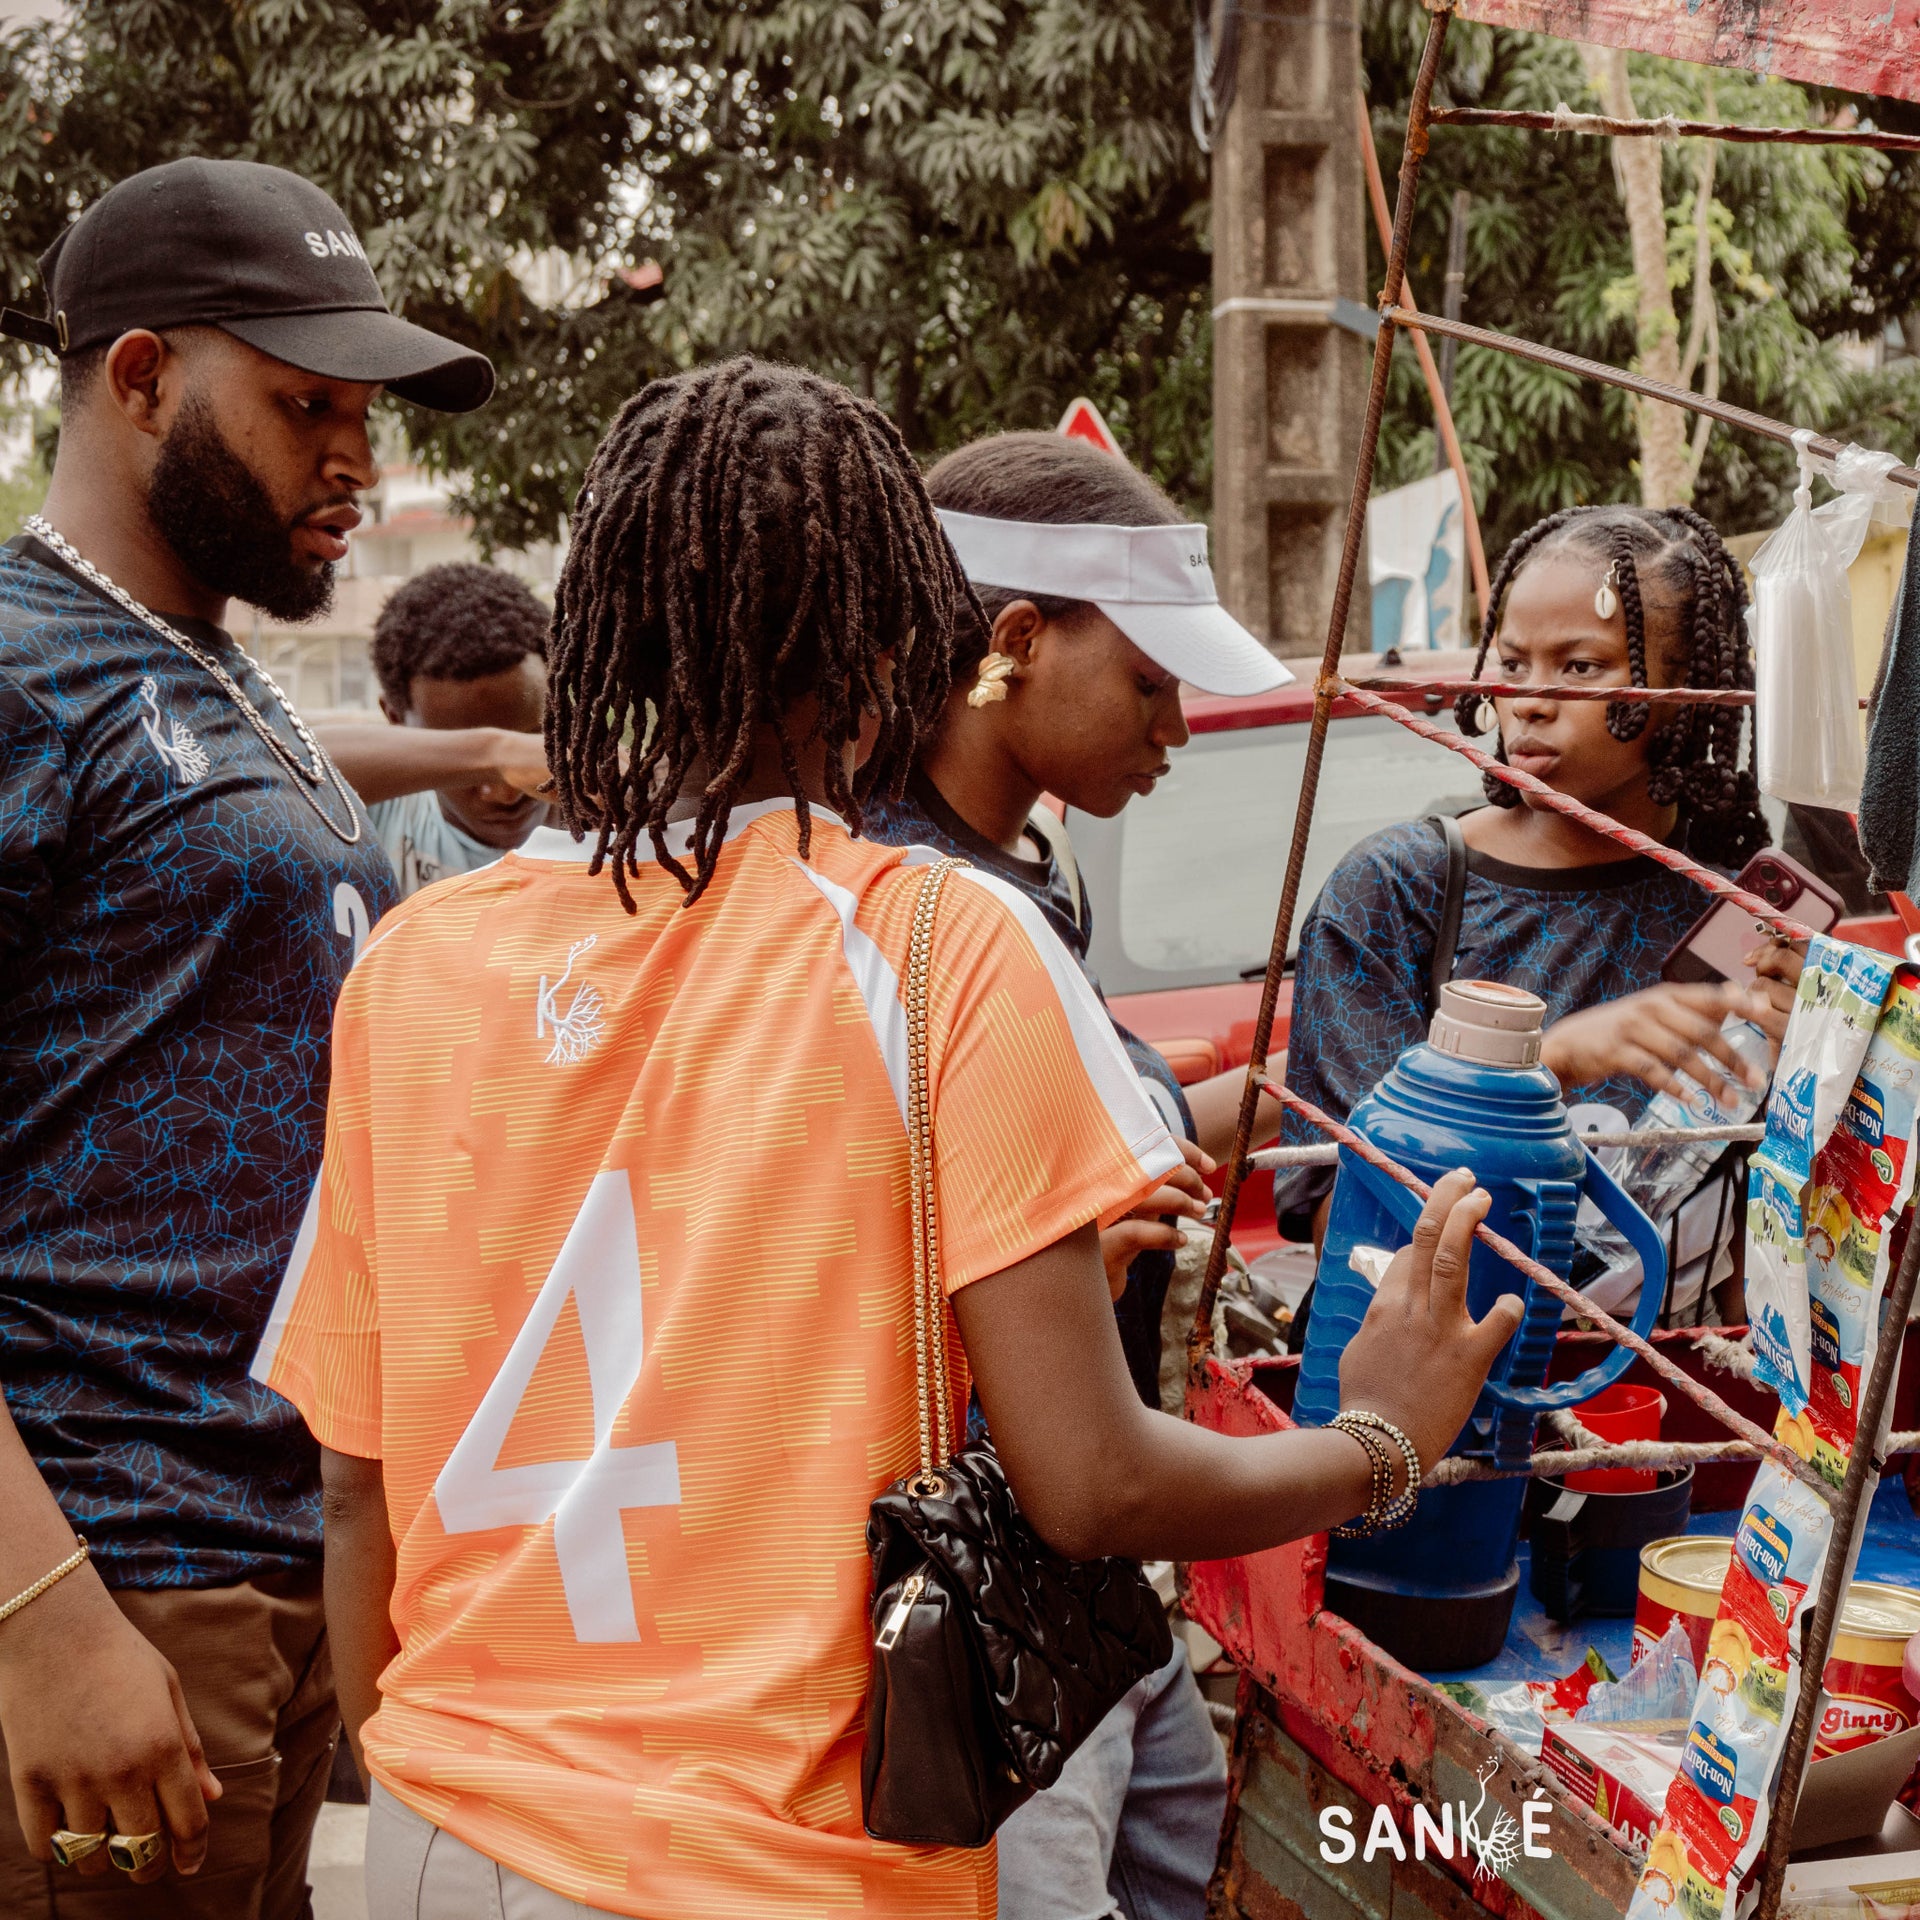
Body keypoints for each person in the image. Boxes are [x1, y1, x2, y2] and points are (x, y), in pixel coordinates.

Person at [252, 357, 1522, 1920]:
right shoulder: (939, 944)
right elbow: (1092, 1487)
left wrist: (443, 1771)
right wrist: (1380, 1442)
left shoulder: (416, 963)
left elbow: (355, 1490)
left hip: (446, 1836)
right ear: (883, 649)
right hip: (777, 1865)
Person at [0, 157, 491, 1916]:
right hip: (107, 1577)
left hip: (272, 1564)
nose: (354, 463)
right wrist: (42, 1624)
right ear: (137, 379)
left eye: (361, 416)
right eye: (303, 409)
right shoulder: (15, 665)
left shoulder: (203, 666)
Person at [863, 430, 1289, 1920]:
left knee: (1178, 1830)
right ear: (1016, 644)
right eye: (1153, 682)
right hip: (985, 1561)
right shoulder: (901, 907)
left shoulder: (1024, 869)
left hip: (1082, 1555)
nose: (1178, 724)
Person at [1275, 504, 1798, 1324]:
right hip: (1421, 1399)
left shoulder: (1740, 915)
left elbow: (1775, 1238)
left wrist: (1815, 1059)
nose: (1529, 700)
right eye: (1512, 663)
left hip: (1661, 1395)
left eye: (1580, 667)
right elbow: (1334, 1220)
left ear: (1686, 687)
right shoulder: (1396, 890)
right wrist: (1543, 1066)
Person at [316, 561, 555, 895]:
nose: (507, 792)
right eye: (465, 747)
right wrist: (500, 755)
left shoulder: (607, 825)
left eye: (535, 738)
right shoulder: (384, 813)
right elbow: (291, 761)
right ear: (396, 719)